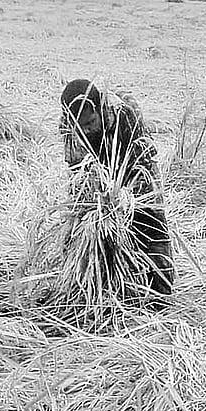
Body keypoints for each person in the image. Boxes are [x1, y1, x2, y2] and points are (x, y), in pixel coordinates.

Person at [59, 79, 175, 298]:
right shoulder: (68, 126)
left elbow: (143, 162)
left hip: (136, 173)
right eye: (80, 126)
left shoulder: (125, 115)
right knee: (88, 235)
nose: (87, 129)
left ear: (100, 110)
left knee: (151, 228)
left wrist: (123, 199)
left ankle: (161, 296)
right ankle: (104, 293)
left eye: (91, 122)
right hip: (99, 180)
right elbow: (77, 170)